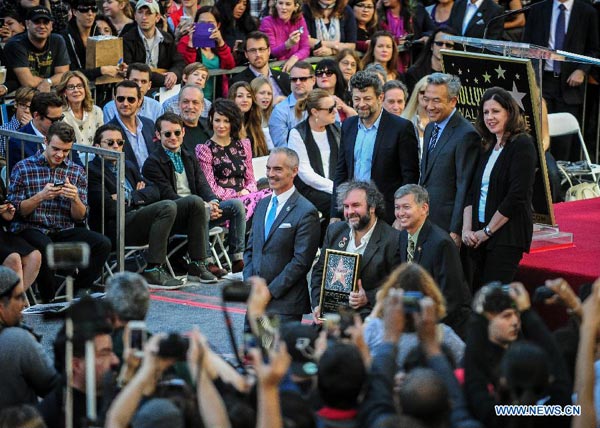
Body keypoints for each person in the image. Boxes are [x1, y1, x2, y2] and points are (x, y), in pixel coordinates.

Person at [7, 122, 111, 302]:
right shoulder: (24, 168)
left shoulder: (76, 171)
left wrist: (75, 199)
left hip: (62, 229)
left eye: (65, 151)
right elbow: (15, 212)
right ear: (45, 141)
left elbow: (80, 216)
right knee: (47, 246)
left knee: (102, 243)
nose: (60, 155)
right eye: (55, 149)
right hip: (30, 227)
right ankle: (49, 300)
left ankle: (78, 292)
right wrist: (40, 197)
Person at [143, 113, 247, 278]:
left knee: (236, 205)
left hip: (200, 207)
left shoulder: (189, 155)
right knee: (199, 207)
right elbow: (166, 194)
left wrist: (212, 201)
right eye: (167, 134)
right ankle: (204, 262)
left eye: (177, 132)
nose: (173, 137)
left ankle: (237, 261)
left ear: (183, 132)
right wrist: (203, 206)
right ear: (158, 135)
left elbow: (202, 184)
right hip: (175, 214)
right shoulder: (152, 162)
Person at [87, 124, 185, 289]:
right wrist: (140, 198)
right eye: (110, 143)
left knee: (186, 203)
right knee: (167, 207)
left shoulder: (128, 165)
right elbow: (108, 207)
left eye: (120, 142)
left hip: (136, 217)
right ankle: (153, 268)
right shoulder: (92, 171)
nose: (116, 147)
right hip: (114, 227)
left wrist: (128, 197)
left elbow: (154, 191)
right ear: (97, 147)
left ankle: (198, 262)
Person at [463, 282, 571, 427]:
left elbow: (473, 379)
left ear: (503, 382)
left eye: (517, 315)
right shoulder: (557, 413)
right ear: (548, 380)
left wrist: (477, 317)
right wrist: (527, 313)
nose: (515, 322)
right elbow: (560, 373)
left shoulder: (492, 416)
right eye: (507, 316)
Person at [462, 87, 537, 287]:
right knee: (476, 296)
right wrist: (467, 229)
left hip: (506, 237)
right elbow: (472, 191)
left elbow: (516, 197)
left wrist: (486, 232)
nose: (489, 117)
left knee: (492, 300)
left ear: (509, 113)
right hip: (477, 236)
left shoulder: (522, 145)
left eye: (495, 111)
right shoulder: (486, 145)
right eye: (486, 112)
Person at [332, 70, 419, 225]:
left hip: (387, 213)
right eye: (357, 99)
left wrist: (401, 215)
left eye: (367, 98)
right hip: (353, 211)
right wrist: (335, 212)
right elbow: (341, 171)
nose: (361, 104)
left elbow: (410, 177)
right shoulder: (348, 126)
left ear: (380, 98)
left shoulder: (401, 128)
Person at [243, 147, 321, 322]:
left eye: (278, 169)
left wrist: (268, 292)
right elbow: (250, 250)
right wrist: (251, 285)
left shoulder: (306, 211)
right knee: (251, 349)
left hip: (285, 305)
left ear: (294, 171)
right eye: (268, 168)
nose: (271, 174)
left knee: (278, 350)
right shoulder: (262, 204)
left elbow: (301, 262)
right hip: (255, 302)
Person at [522, 0, 599, 162]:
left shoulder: (587, 12)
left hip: (570, 85)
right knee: (537, 134)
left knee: (563, 143)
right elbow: (526, 44)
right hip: (541, 81)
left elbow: (594, 49)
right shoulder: (538, 9)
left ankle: (560, 183)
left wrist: (582, 70)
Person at [311, 181, 400, 320]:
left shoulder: (393, 239)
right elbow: (319, 272)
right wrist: (318, 305)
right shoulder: (335, 231)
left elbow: (398, 284)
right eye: (346, 206)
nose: (350, 212)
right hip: (331, 318)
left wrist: (368, 297)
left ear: (372, 207)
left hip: (370, 319)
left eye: (356, 205)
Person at [395, 184, 471, 336]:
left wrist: (423, 325)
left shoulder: (441, 243)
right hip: (415, 315)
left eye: (406, 207)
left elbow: (451, 299)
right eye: (397, 207)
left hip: (445, 324)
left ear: (424, 208)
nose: (400, 213)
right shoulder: (403, 236)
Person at [363, 263, 465, 370]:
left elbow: (359, 347)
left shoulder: (375, 329)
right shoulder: (443, 334)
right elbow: (467, 363)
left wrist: (378, 306)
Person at [419, 73, 480, 243]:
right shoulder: (431, 127)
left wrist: (456, 230)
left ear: (453, 101)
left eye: (436, 100)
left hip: (447, 226)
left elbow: (464, 187)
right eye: (427, 99)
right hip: (426, 219)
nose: (429, 106)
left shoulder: (466, 134)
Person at [196, 98, 271, 222]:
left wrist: (247, 191)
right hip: (225, 204)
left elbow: (250, 178)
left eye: (226, 121)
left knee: (271, 193)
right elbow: (211, 187)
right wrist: (238, 195)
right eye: (217, 120)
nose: (221, 125)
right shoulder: (205, 150)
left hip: (249, 196)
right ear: (211, 120)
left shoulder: (243, 145)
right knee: (263, 199)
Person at [0, 266, 59, 410]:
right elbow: (54, 387)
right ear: (1, 305)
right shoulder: (17, 340)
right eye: (19, 297)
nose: (25, 304)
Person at [288, 89, 340, 226]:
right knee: (336, 204)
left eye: (335, 106)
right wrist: (335, 188)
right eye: (330, 109)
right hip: (309, 189)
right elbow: (305, 173)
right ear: (315, 112)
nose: (335, 111)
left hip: (335, 186)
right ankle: (330, 243)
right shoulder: (297, 133)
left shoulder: (337, 129)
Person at [4, 6, 70, 92]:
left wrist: (48, 82)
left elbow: (63, 75)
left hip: (51, 93)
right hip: (21, 97)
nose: (42, 26)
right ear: (27, 24)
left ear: (51, 26)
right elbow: (28, 82)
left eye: (46, 22)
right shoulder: (15, 44)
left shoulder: (58, 40)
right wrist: (50, 82)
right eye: (37, 22)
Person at [122, 0, 184, 90]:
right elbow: (130, 69)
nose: (144, 17)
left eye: (149, 13)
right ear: (135, 16)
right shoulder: (127, 39)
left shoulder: (167, 38)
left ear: (157, 17)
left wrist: (174, 73)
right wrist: (162, 78)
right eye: (140, 12)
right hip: (137, 89)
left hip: (163, 89)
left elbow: (179, 62)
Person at [177, 6, 236, 100]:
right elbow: (186, 68)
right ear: (195, 24)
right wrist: (191, 45)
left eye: (210, 23)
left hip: (216, 97)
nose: (206, 26)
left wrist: (221, 43)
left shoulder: (219, 44)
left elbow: (229, 65)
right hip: (192, 98)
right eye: (202, 23)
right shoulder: (186, 41)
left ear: (218, 25)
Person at [62, 0, 123, 86]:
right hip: (75, 87)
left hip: (101, 88)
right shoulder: (65, 37)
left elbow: (108, 64)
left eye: (93, 9)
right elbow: (70, 72)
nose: (90, 13)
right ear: (74, 12)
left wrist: (119, 67)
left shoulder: (99, 34)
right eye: (84, 9)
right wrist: (101, 70)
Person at [107, 80, 158, 172]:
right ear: (114, 100)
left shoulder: (149, 124)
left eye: (131, 99)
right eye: (120, 99)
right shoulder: (108, 132)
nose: (125, 104)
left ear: (139, 101)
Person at [7, 92, 65, 173]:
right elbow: (17, 180)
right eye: (54, 120)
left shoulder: (66, 134)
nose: (58, 123)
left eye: (61, 118)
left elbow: (79, 168)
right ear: (36, 115)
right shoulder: (17, 142)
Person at [229, 31, 291, 100]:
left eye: (261, 49)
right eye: (253, 50)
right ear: (246, 54)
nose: (258, 54)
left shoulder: (284, 77)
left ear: (269, 51)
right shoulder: (238, 82)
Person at [376, 0, 434, 72]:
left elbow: (432, 30)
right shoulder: (378, 13)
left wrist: (426, 36)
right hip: (387, 63)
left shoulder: (417, 10)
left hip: (413, 59)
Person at [268, 61, 315, 147]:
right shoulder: (280, 111)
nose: (297, 82)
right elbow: (282, 148)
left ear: (313, 80)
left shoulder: (325, 104)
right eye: (294, 79)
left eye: (303, 79)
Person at [56, 71, 104, 149]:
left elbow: (102, 138)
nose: (76, 90)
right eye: (71, 87)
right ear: (64, 92)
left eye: (79, 86)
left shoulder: (96, 111)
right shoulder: (60, 114)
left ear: (85, 89)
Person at [259, 0, 310, 72]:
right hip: (273, 69)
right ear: (276, 4)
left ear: (295, 7)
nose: (283, 7)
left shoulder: (300, 20)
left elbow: (305, 47)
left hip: (295, 68)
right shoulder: (267, 22)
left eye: (288, 4)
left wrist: (295, 58)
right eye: (280, 3)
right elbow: (272, 52)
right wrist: (288, 44)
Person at [403, 26, 457, 94]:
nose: (443, 48)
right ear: (432, 46)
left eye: (448, 45)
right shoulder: (414, 72)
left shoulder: (457, 75)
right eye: (439, 43)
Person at [228, 81, 269, 157]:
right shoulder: (226, 124)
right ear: (232, 98)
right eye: (240, 96)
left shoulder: (254, 123)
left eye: (249, 96)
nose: (245, 100)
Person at [0, 87, 35, 161]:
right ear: (16, 104)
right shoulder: (3, 130)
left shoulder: (41, 130)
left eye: (31, 107)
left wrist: (31, 128)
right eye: (23, 105)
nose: (27, 111)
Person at [178, 84, 212, 154]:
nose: (190, 106)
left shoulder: (210, 126)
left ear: (202, 106)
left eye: (195, 102)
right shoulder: (171, 130)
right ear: (178, 104)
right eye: (185, 101)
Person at [401, 75, 430, 160]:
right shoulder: (404, 120)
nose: (425, 96)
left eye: (429, 92)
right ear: (416, 93)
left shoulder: (441, 122)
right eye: (422, 92)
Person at [250, 76, 276, 151]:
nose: (266, 97)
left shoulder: (274, 114)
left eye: (269, 94)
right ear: (253, 94)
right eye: (262, 93)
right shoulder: (248, 117)